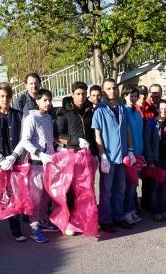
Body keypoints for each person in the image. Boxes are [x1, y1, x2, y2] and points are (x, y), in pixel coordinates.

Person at [11, 88, 58, 243]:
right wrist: (39, 153)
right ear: (37, 101)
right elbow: (25, 140)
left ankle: (44, 221)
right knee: (36, 198)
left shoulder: (48, 118)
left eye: (49, 100)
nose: (48, 103)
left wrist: (55, 150)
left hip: (49, 164)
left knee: (46, 197)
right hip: (36, 164)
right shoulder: (31, 118)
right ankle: (34, 228)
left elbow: (49, 140)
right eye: (45, 100)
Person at [0, 82, 27, 244]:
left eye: (8, 96)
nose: (5, 99)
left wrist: (14, 156)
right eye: (1, 96)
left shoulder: (19, 115)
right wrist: (0, 159)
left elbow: (24, 139)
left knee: (13, 196)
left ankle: (16, 230)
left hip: (13, 163)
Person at [92, 78, 136, 233]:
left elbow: (128, 130)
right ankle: (106, 220)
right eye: (109, 88)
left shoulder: (123, 108)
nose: (112, 91)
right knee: (106, 190)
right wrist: (102, 156)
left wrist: (130, 151)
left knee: (120, 189)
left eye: (114, 88)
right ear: (104, 91)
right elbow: (97, 135)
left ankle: (118, 216)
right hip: (109, 158)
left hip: (123, 157)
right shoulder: (99, 110)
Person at [55, 81, 98, 235]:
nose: (81, 97)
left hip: (88, 157)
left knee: (87, 190)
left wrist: (97, 155)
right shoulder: (63, 112)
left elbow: (94, 135)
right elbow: (58, 135)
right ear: (72, 94)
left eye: (84, 94)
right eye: (78, 94)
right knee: (71, 191)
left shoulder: (90, 110)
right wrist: (76, 141)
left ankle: (85, 219)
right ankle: (69, 222)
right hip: (71, 157)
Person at [144, 99, 166, 221]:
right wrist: (150, 161)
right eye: (161, 108)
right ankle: (155, 211)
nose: (164, 111)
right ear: (157, 109)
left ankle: (163, 209)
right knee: (155, 187)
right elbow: (147, 144)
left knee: (164, 187)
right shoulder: (151, 123)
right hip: (156, 160)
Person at [121, 85, 143, 224]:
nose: (133, 98)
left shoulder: (137, 112)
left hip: (139, 153)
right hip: (130, 154)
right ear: (125, 96)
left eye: (135, 96)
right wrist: (130, 151)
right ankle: (126, 212)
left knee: (134, 185)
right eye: (131, 96)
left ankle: (131, 210)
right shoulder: (123, 111)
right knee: (129, 186)